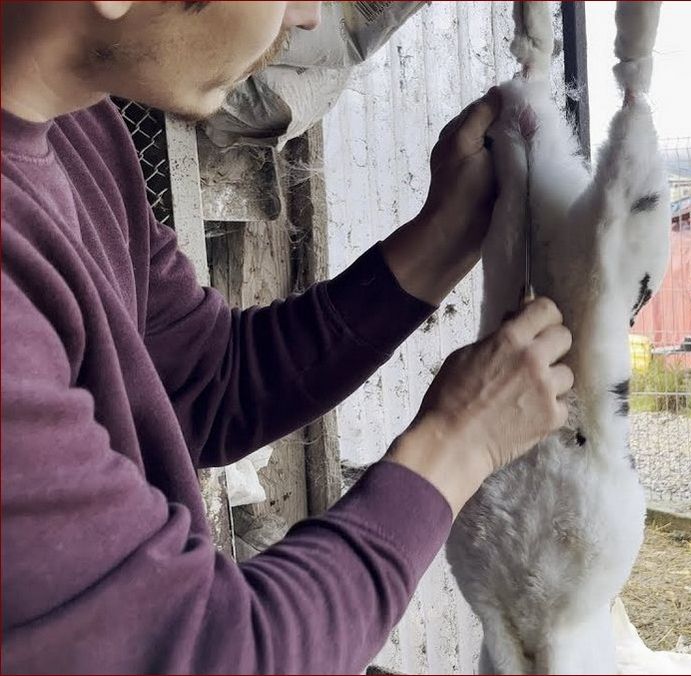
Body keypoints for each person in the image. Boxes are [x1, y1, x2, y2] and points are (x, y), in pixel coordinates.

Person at [1, 2, 574, 672]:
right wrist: (456, 448)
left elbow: (204, 382)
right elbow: (217, 653)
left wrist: (441, 238)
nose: (306, 16)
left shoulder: (81, 127)